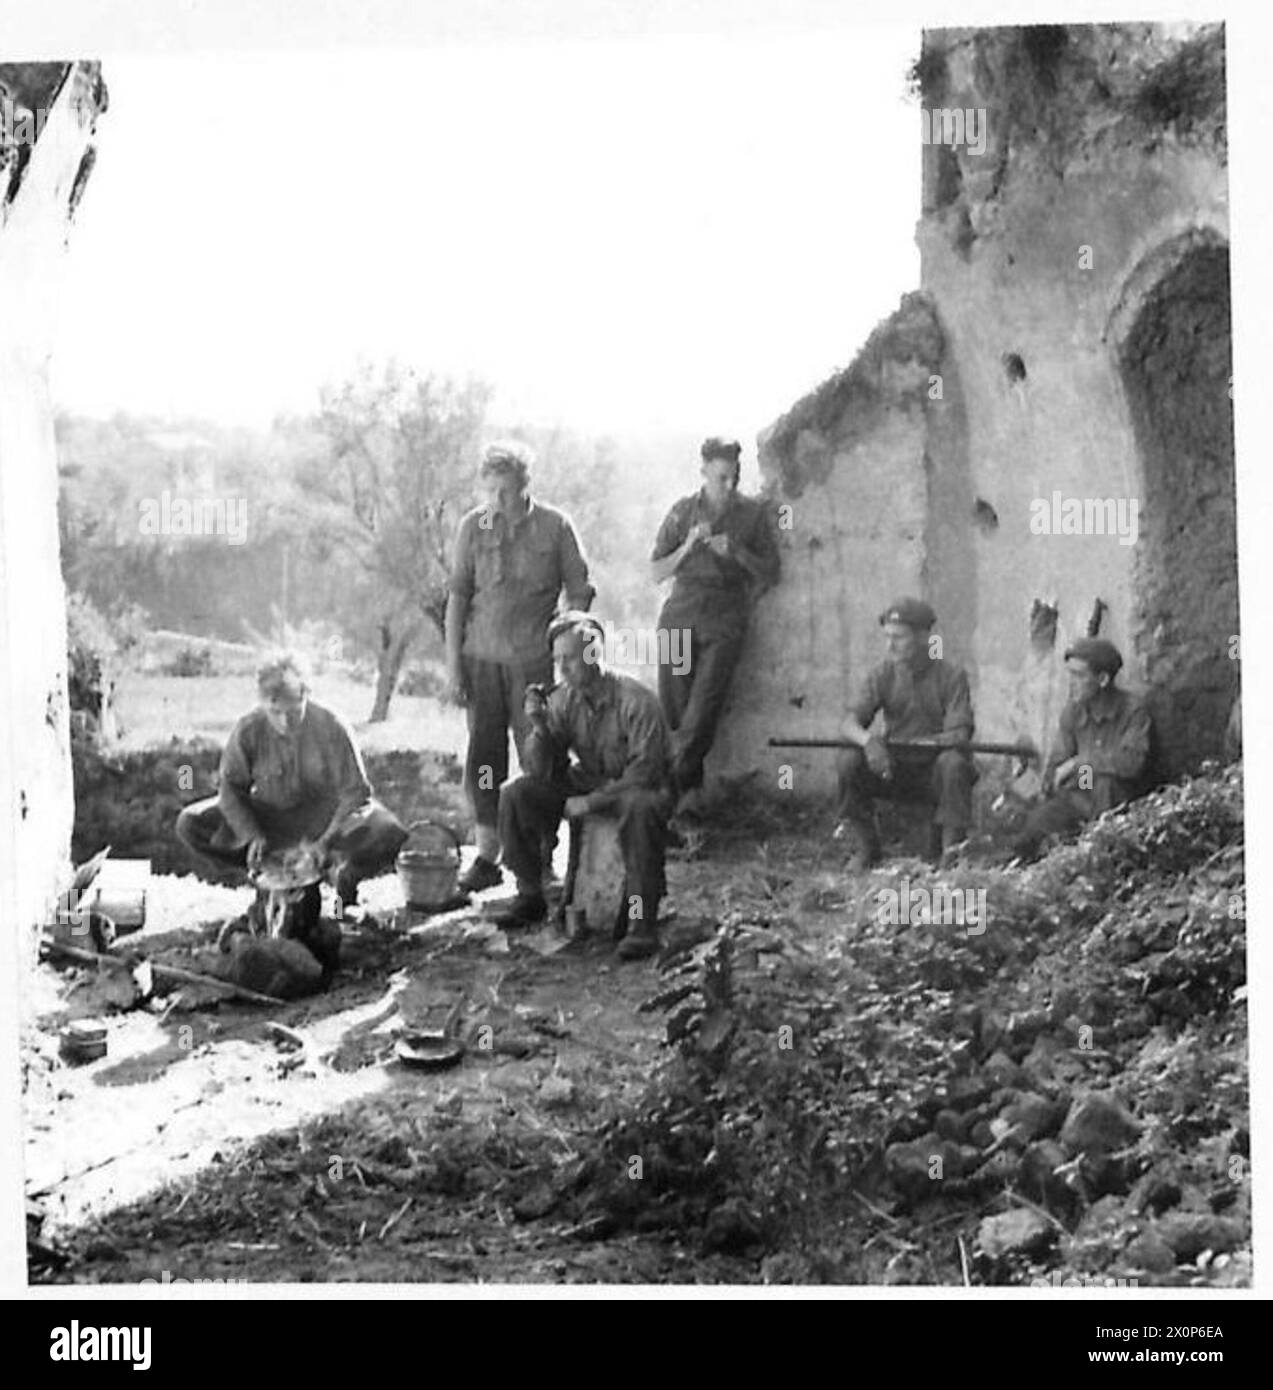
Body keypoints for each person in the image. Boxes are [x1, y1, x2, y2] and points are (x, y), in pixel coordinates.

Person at [445, 440, 595, 893]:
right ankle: (487, 854)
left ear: (526, 486)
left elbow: (580, 591)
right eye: (490, 492)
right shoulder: (473, 528)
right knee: (484, 757)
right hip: (483, 660)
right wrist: (453, 663)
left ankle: (539, 856)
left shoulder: (555, 528)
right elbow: (457, 598)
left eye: (507, 491)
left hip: (534, 663)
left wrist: (568, 649)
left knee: (538, 754)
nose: (498, 502)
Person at [496, 611, 674, 961]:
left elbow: (646, 772)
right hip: (592, 780)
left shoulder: (636, 701)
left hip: (638, 788)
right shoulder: (565, 700)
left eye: (571, 659)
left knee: (642, 808)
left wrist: (590, 803)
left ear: (593, 654)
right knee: (516, 794)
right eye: (558, 660)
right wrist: (539, 727)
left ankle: (642, 924)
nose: (563, 668)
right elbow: (540, 770)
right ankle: (530, 893)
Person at [176, 652, 408, 911]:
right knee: (190, 823)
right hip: (271, 820)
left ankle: (344, 884)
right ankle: (267, 879)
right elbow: (230, 790)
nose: (285, 722)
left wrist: (326, 842)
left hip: (325, 822)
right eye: (275, 712)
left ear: (306, 695)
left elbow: (355, 794)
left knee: (389, 831)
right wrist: (251, 835)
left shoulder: (331, 726)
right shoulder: (248, 730)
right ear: (263, 703)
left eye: (294, 711)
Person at [650, 436, 779, 810]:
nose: (728, 484)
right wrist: (687, 546)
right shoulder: (681, 512)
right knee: (674, 707)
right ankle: (686, 802)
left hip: (724, 617)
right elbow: (657, 571)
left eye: (734, 476)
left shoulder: (751, 515)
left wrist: (736, 552)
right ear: (704, 472)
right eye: (721, 476)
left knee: (702, 710)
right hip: (680, 614)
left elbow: (771, 573)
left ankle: (668, 796)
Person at [834, 598, 976, 871]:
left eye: (898, 638)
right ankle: (867, 848)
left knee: (954, 763)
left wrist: (927, 743)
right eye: (887, 637)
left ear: (923, 638)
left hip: (933, 774)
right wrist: (869, 742)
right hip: (893, 770)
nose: (890, 645)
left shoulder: (951, 676)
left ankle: (951, 854)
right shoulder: (883, 673)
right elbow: (848, 723)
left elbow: (960, 733)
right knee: (848, 761)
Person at [1011, 638, 1152, 860]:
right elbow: (1058, 762)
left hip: (1118, 805)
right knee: (1032, 829)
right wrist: (1045, 784)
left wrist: (1080, 762)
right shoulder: (1073, 711)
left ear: (1103, 679)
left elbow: (1132, 762)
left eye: (1079, 676)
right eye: (1070, 675)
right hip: (1080, 796)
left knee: (1106, 784)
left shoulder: (1132, 710)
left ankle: (1102, 858)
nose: (1072, 683)